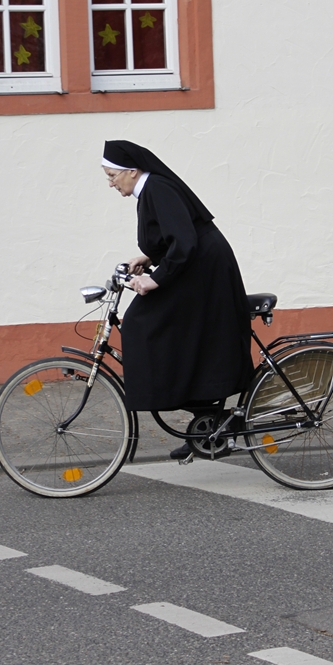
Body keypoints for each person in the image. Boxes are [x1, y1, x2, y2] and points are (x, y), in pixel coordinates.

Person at [102, 140, 253, 458]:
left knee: (143, 324)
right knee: (183, 339)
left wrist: (154, 279)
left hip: (205, 271)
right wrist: (146, 257)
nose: (111, 183)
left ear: (132, 170)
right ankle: (208, 423)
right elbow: (174, 235)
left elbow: (185, 242)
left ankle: (208, 418)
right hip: (197, 268)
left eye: (113, 176)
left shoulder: (156, 187)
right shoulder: (149, 190)